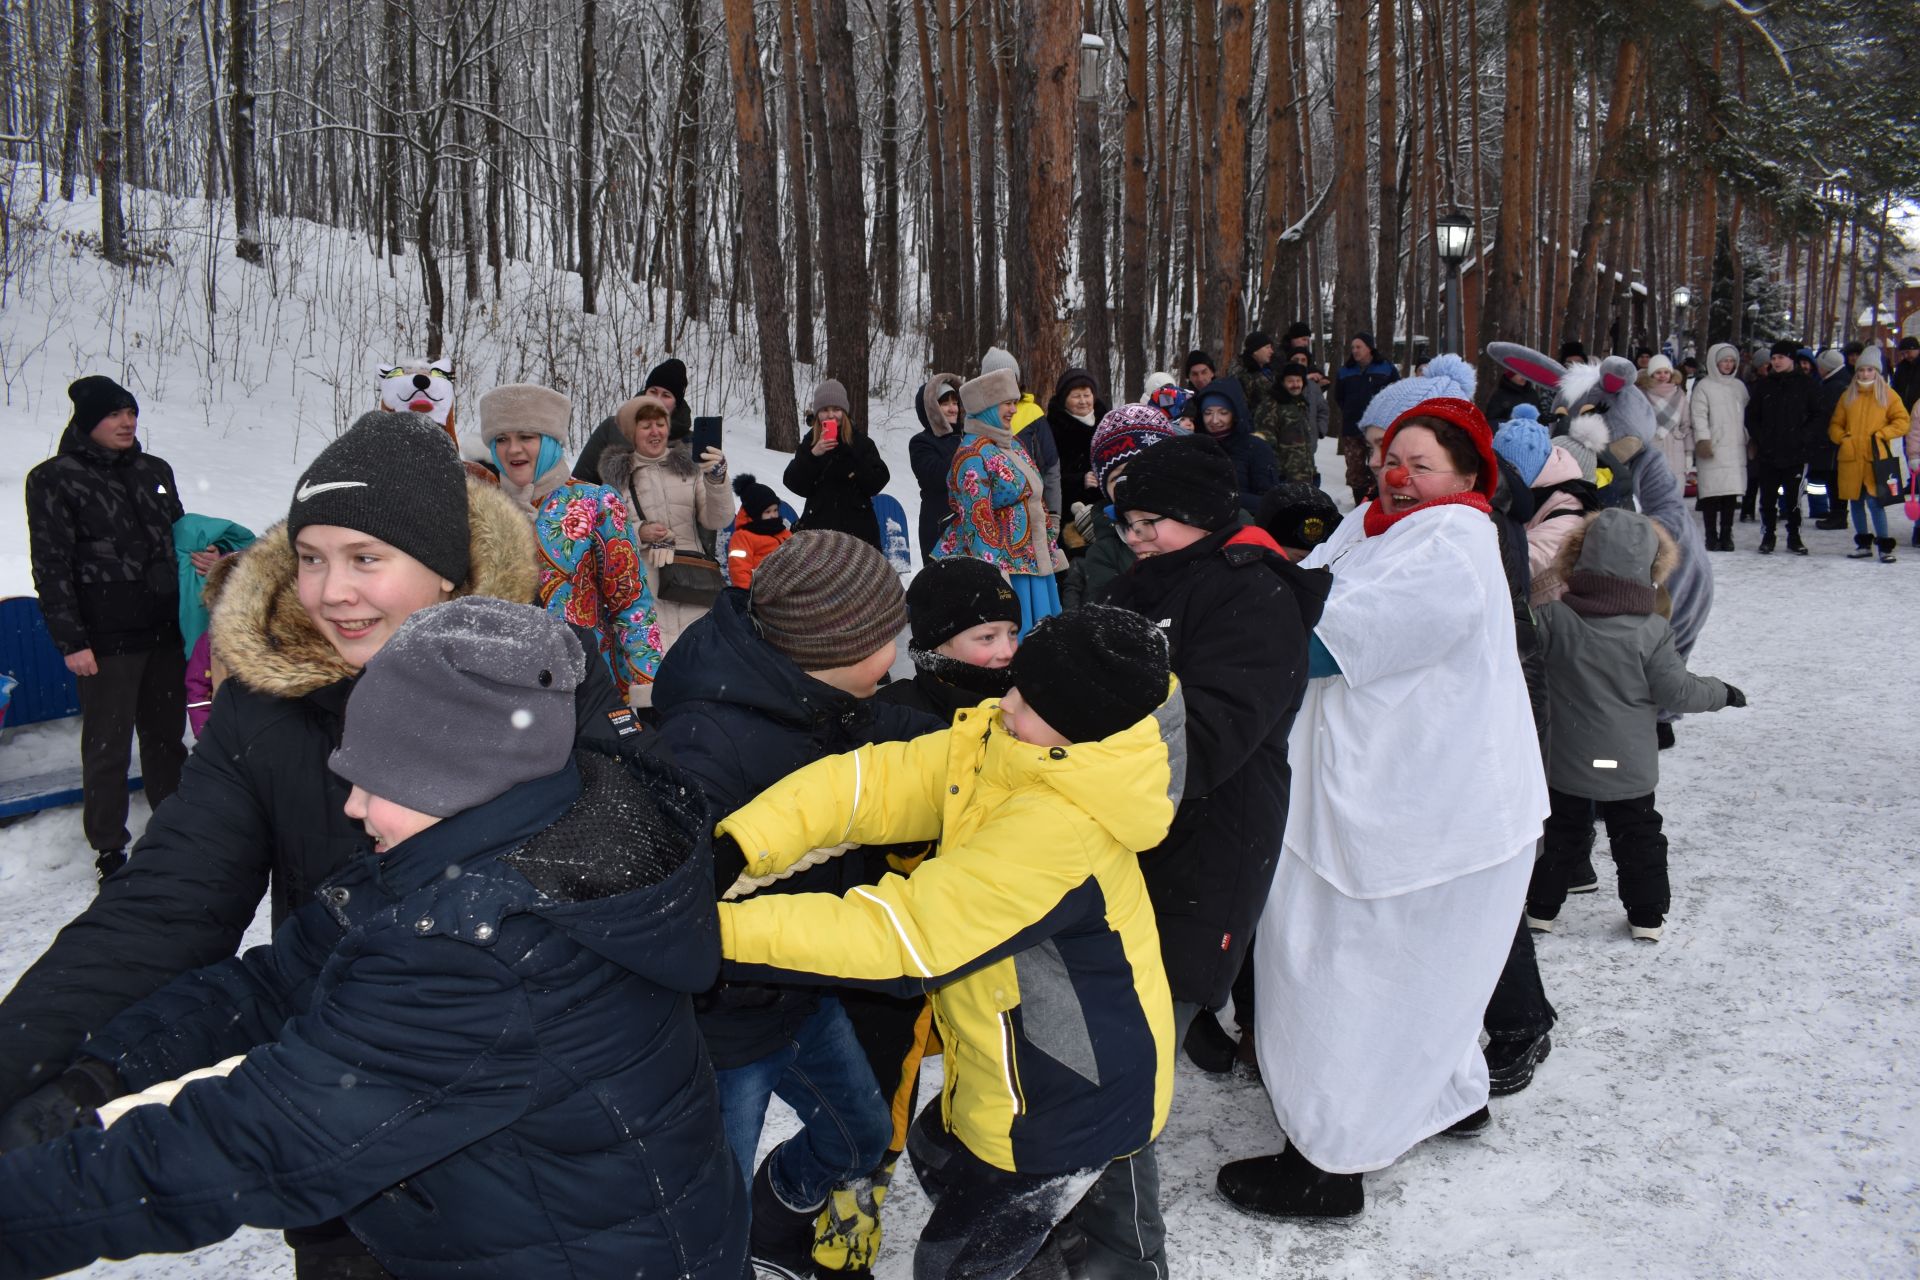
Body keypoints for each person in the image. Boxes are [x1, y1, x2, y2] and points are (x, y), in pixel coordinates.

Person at [0, 413, 639, 1280]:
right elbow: (164, 910)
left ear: (448, 573)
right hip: (345, 1133)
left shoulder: (550, 670)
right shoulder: (265, 707)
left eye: (365, 558)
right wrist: (22, 1060)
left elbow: (637, 861)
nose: (331, 590)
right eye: (311, 557)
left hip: (544, 1140)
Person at [0, 599, 746, 1280]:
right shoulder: (508, 839)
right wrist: (93, 1078)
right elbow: (273, 982)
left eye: (376, 781)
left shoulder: (477, 949)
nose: (353, 806)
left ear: (461, 779)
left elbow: (255, 1139)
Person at [711, 604, 1183, 1280]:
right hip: (1010, 1069)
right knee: (938, 1152)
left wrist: (714, 932)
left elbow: (902, 933)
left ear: (1082, 731)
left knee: (956, 1263)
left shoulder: (1061, 830)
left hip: (1063, 1099)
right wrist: (743, 843)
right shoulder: (1011, 744)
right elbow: (876, 783)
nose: (1007, 699)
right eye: (1016, 679)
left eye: (1032, 698)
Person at [1218, 396, 1547, 1219]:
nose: (1394, 476)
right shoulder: (1377, 523)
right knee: (1423, 973)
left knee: (1346, 971)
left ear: (1470, 477)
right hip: (1414, 801)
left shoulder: (1452, 546)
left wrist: (1212, 630)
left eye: (1419, 464)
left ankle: (1328, 1162)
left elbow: (1321, 639)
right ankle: (1448, 1096)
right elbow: (1308, 584)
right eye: (1383, 455)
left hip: (1419, 814)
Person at [650, 531, 936, 1278]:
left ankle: (781, 1210)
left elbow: (887, 742)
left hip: (803, 996)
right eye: (890, 641)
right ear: (838, 645)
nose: (898, 657)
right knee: (708, 1209)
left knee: (859, 1137)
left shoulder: (820, 698)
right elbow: (672, 899)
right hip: (725, 1024)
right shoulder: (708, 743)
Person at [1102, 436, 1325, 1093]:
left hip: (1212, 835)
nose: (1135, 537)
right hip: (1130, 826)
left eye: (1150, 522)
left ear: (1201, 512)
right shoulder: (1136, 587)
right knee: (1111, 1021)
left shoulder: (1253, 595)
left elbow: (1208, 738)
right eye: (1127, 523)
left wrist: (1086, 762)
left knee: (1127, 1060)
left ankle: (1112, 1191)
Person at [1525, 510, 1747, 941]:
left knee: (1562, 832)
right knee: (1638, 835)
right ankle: (1646, 916)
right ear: (1651, 569)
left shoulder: (1553, 620)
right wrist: (1722, 692)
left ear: (1577, 559)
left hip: (1568, 759)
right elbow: (1678, 691)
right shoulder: (1652, 631)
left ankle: (1542, 909)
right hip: (1626, 764)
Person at [25, 375, 188, 882]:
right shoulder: (54, 478)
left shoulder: (154, 471)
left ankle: (177, 829)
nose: (127, 422)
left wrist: (207, 554)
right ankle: (109, 848)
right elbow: (51, 565)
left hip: (164, 630)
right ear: (88, 421)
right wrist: (72, 641)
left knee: (166, 740)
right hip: (106, 639)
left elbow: (180, 538)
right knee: (107, 747)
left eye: (131, 412)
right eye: (115, 414)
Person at [482, 382, 665, 704]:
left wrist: (648, 686)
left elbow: (631, 605)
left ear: (552, 440)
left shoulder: (595, 502)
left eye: (526, 436)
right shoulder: (479, 507)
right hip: (495, 690)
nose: (513, 450)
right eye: (501, 439)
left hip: (583, 686)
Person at [602, 391, 736, 660]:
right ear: (632, 432)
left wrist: (717, 481)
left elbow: (718, 519)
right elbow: (607, 532)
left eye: (660, 424)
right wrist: (640, 531)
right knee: (654, 665)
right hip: (645, 588)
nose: (655, 432)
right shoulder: (617, 479)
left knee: (699, 661)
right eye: (646, 425)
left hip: (693, 584)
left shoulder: (691, 469)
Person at [936, 367, 1067, 634]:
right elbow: (977, 519)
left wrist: (1049, 534)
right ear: (986, 407)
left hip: (1032, 566)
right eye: (1006, 403)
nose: (1014, 410)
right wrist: (995, 578)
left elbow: (1034, 494)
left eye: (1014, 402)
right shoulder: (971, 454)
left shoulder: (1011, 443)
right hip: (1007, 573)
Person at [1060, 405, 1185, 608]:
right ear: (1105, 489)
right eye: (1118, 477)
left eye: (1145, 469)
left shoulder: (1204, 523)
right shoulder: (1105, 551)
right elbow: (1112, 615)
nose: (1132, 484)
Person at [1494, 407, 1600, 604]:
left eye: (1508, 471)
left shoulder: (1568, 513)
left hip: (1540, 610)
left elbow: (1526, 561)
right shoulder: (1537, 492)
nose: (1500, 478)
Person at [1828, 345, 1911, 563]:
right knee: (1855, 502)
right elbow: (1835, 424)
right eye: (1862, 370)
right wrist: (1843, 438)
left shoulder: (1888, 395)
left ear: (1877, 372)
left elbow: (1902, 421)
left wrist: (1884, 433)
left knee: (1876, 503)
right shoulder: (1848, 395)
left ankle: (1884, 545)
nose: (1865, 374)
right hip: (1851, 457)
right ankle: (1863, 543)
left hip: (1876, 457)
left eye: (1870, 370)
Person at [785, 379, 890, 550]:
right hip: (819, 535)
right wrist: (813, 455)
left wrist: (852, 459)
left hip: (859, 533)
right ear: (818, 413)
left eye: (837, 409)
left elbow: (878, 481)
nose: (831, 415)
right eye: (825, 410)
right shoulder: (810, 443)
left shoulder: (861, 443)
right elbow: (794, 483)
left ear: (845, 412)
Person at [1744, 340, 1819, 556]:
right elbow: (1752, 416)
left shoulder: (1805, 384)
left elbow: (1819, 414)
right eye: (1774, 358)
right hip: (1769, 452)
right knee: (1767, 497)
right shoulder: (1765, 385)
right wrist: (1761, 437)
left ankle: (1794, 536)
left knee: (1793, 498)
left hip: (1796, 452)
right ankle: (1768, 534)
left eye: (1781, 358)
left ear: (1791, 359)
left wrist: (1804, 436)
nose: (1776, 362)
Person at [571, 356, 692, 481]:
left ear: (676, 403)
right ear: (646, 392)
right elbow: (579, 483)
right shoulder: (612, 428)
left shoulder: (689, 442)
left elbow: (702, 495)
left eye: (666, 395)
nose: (657, 399)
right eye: (653, 391)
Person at [981, 346, 1062, 523]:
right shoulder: (978, 416)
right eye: (997, 378)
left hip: (1031, 513)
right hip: (992, 517)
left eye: (1010, 377)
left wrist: (1054, 512)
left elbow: (1050, 466)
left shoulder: (1032, 412)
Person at [1186, 375, 1281, 513]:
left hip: (1243, 528)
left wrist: (1224, 498)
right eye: (1208, 413)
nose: (1214, 420)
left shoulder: (1257, 448)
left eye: (1223, 413)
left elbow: (1269, 502)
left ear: (1235, 414)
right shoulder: (1195, 446)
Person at [1689, 343, 1750, 551]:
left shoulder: (1739, 387)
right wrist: (1703, 439)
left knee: (1730, 495)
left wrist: (1749, 438)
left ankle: (1726, 534)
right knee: (1711, 494)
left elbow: (1747, 416)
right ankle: (1710, 536)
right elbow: (1698, 416)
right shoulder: (1704, 386)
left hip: (1735, 447)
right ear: (1715, 362)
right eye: (1724, 360)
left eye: (1732, 361)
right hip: (1713, 447)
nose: (1728, 364)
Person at [1334, 333, 1398, 505]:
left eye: (1359, 347)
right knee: (1356, 471)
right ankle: (1359, 505)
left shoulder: (1386, 368)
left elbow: (1396, 392)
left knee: (1379, 466)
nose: (1355, 350)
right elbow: (1339, 397)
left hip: (1378, 429)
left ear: (1369, 348)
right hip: (1352, 428)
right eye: (1353, 347)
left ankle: (1380, 502)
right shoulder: (1344, 371)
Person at [909, 373, 965, 563]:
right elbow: (937, 476)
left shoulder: (968, 437)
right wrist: (966, 450)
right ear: (932, 408)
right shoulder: (921, 442)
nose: (953, 409)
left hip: (970, 529)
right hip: (940, 528)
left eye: (955, 402)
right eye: (945, 403)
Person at [183, 555, 240, 738]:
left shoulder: (279, 637)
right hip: (225, 736)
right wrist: (205, 731)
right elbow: (198, 687)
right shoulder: (210, 641)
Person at [1044, 366, 1111, 523]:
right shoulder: (1053, 428)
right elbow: (1048, 475)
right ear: (1063, 399)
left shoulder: (1107, 423)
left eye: (1087, 395)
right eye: (1076, 396)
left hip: (1106, 508)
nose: (1083, 401)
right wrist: (1080, 480)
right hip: (1070, 511)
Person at [725, 473, 792, 588]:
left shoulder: (782, 531)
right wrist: (749, 595)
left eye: (775, 510)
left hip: (788, 587)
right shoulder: (743, 537)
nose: (773, 515)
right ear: (755, 513)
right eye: (767, 512)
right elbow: (739, 570)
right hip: (761, 591)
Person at [1810, 348, 1853, 529]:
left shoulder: (1834, 386)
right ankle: (1837, 512)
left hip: (1832, 440)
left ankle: (1838, 514)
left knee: (1834, 477)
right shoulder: (1840, 381)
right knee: (1833, 477)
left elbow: (1827, 413)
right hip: (1834, 438)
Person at [1641, 355, 1694, 494]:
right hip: (1653, 446)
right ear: (1651, 374)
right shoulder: (1643, 395)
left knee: (1676, 495)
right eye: (1658, 372)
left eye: (1666, 372)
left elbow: (1686, 425)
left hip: (1677, 450)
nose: (1662, 376)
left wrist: (1689, 453)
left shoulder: (1679, 395)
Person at [1892, 335, 1920, 414]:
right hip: (1903, 410)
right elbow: (1895, 387)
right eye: (1903, 354)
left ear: (1916, 349)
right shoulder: (1901, 367)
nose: (1905, 356)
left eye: (1908, 352)